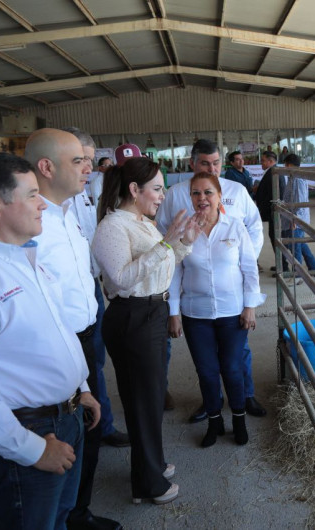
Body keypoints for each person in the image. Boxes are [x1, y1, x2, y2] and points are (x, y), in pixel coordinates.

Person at [0, 152, 100, 529]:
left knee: (62, 516)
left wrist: (79, 387)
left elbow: (55, 329)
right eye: (33, 194)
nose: (42, 205)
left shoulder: (23, 256)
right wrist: (32, 450)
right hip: (30, 430)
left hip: (65, 415)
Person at [24, 128, 123, 530]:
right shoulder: (31, 224)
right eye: (79, 161)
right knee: (66, 436)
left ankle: (76, 512)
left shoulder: (68, 211)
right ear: (46, 167)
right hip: (53, 344)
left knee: (87, 430)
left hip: (83, 334)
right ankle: (66, 516)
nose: (90, 169)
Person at [92, 157, 199, 505]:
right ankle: (147, 483)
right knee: (142, 401)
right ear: (134, 190)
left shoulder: (142, 221)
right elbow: (123, 278)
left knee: (150, 398)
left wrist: (184, 242)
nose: (162, 195)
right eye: (156, 188)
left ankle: (148, 465)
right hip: (132, 316)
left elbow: (162, 264)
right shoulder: (113, 227)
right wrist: (166, 243)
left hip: (152, 311)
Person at [155, 139, 267, 423]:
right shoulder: (176, 194)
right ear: (193, 164)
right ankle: (211, 402)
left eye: (216, 163)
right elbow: (162, 233)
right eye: (205, 163)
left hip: (232, 281)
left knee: (237, 352)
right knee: (206, 361)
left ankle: (245, 395)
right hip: (196, 286)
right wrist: (173, 308)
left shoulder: (237, 190)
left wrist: (243, 257)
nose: (212, 168)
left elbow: (254, 225)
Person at [65, 133, 131, 452]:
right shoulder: (47, 208)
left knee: (96, 359)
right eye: (81, 159)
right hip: (68, 296)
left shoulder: (84, 193)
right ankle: (89, 427)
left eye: (90, 159)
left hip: (90, 283)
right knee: (83, 360)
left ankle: (100, 424)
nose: (88, 166)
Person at [281, 153, 315, 276]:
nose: (284, 167)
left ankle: (297, 275)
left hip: (296, 220)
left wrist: (295, 220)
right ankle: (314, 268)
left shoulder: (297, 179)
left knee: (295, 248)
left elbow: (299, 202)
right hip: (293, 218)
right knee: (301, 245)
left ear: (290, 165)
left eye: (285, 164)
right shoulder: (293, 177)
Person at [255, 150, 286, 269]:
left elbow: (277, 194)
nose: (261, 163)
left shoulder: (275, 173)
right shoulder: (271, 172)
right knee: (274, 238)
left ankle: (283, 266)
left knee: (276, 239)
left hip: (275, 212)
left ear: (270, 161)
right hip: (272, 211)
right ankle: (281, 264)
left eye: (263, 161)